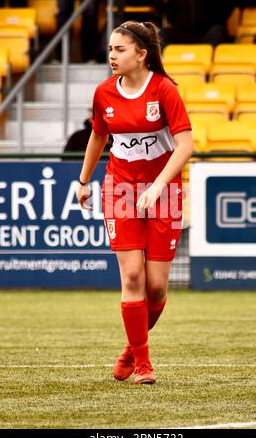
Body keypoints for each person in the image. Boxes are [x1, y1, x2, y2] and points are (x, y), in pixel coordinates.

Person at [77, 20, 193, 384]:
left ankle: (131, 348)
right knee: (132, 276)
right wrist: (83, 181)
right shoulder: (104, 94)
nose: (112, 55)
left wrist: (159, 186)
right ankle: (143, 365)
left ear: (142, 55)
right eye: (110, 49)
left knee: (156, 286)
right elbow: (98, 136)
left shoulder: (165, 91)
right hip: (120, 190)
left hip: (164, 193)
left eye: (120, 49)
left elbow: (186, 145)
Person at [163, 0, 234, 47]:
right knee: (163, 34)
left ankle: (207, 56)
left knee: (218, 31)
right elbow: (171, 15)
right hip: (185, 34)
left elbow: (226, 7)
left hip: (208, 33)